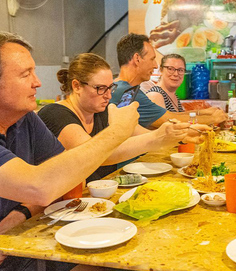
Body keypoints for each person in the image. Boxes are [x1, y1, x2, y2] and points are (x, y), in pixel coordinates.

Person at [0, 29, 144, 271]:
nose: (38, 82)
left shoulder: (25, 119)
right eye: (25, 74)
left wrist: (17, 216)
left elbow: (70, 179)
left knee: (115, 267)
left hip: (21, 241)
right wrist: (117, 131)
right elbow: (40, 186)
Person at [38, 53, 205, 183]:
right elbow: (99, 155)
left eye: (111, 88)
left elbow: (141, 134)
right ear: (76, 86)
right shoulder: (55, 114)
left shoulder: (101, 110)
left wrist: (182, 134)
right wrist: (158, 137)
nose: (108, 95)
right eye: (100, 88)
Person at [110, 34, 227, 128]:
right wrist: (212, 119)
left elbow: (171, 116)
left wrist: (206, 113)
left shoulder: (123, 88)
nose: (155, 66)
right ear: (137, 59)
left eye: (180, 70)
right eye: (152, 59)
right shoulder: (127, 92)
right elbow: (169, 120)